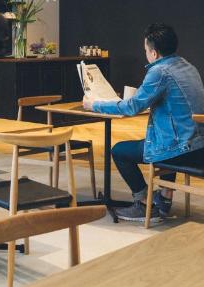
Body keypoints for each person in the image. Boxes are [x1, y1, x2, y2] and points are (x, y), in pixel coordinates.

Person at [84, 23, 204, 222]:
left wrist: (95, 105)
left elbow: (132, 107)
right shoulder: (188, 67)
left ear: (154, 53)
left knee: (120, 151)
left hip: (181, 149)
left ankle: (144, 203)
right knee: (166, 138)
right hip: (198, 144)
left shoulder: (160, 71)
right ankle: (164, 199)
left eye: (146, 50)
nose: (146, 54)